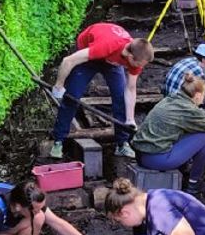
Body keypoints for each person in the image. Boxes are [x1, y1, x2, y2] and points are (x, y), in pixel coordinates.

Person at [50, 22, 154, 159]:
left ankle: (122, 144)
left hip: (112, 60)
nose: (140, 68)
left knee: (121, 99)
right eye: (139, 65)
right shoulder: (106, 46)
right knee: (72, 96)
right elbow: (68, 61)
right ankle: (58, 141)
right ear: (130, 57)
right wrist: (59, 86)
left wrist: (130, 119)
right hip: (91, 52)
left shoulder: (137, 57)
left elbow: (130, 89)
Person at [133, 74, 205, 194]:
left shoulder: (172, 99)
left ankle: (184, 171)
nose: (204, 98)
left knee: (192, 133)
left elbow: (198, 121)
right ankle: (193, 184)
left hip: (141, 154)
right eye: (204, 95)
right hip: (155, 159)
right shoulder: (188, 110)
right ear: (197, 95)